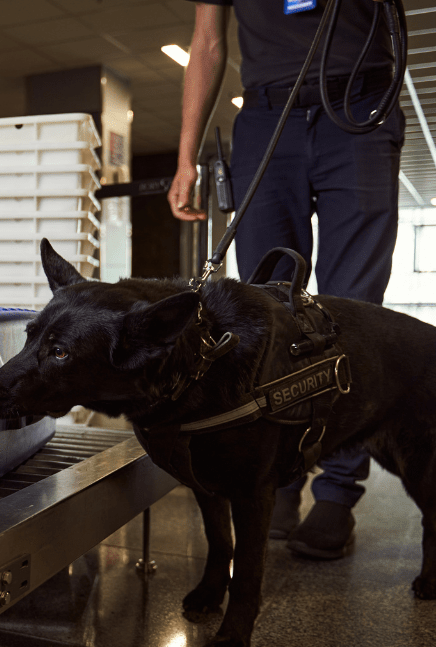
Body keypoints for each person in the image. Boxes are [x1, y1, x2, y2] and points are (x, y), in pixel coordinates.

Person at [168, 0, 405, 559]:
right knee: (269, 308)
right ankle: (280, 476)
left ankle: (337, 493)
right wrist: (186, 157)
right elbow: (206, 42)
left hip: (360, 106)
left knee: (353, 304)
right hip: (267, 116)